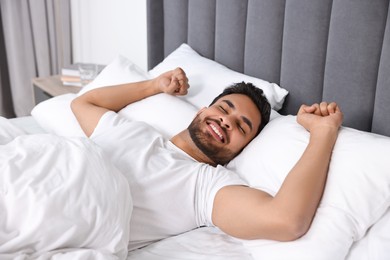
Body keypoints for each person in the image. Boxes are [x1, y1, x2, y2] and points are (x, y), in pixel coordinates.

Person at [71, 67, 343, 250]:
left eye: (241, 126)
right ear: (201, 111)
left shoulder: (205, 187)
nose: (226, 121)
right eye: (224, 109)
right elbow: (82, 103)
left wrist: (323, 133)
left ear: (242, 149)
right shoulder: (136, 132)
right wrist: (154, 85)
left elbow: (286, 220)